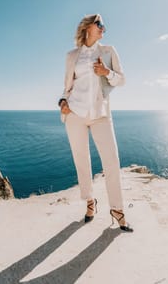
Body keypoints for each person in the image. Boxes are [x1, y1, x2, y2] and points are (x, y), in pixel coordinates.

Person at [58, 13, 133, 232]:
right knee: (82, 161)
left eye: (103, 25)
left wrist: (106, 72)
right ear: (88, 27)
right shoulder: (72, 56)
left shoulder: (108, 51)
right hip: (75, 113)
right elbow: (67, 86)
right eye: (99, 24)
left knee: (111, 161)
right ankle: (90, 202)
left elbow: (122, 79)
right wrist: (62, 101)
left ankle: (118, 210)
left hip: (100, 113)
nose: (103, 28)